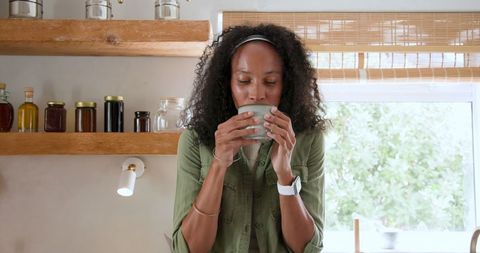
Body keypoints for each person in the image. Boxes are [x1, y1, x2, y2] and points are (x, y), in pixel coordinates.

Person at [172, 23, 328, 253]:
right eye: (244, 81)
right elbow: (187, 249)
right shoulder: (195, 141)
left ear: (286, 85)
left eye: (270, 82)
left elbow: (307, 249)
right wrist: (219, 164)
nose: (257, 93)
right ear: (227, 84)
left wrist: (284, 173)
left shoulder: (309, 140)